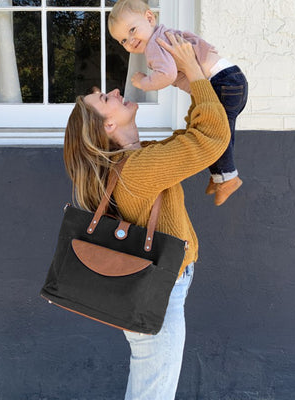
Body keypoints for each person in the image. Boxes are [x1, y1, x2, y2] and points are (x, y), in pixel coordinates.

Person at [63, 33, 230, 400]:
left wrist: (191, 86)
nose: (117, 93)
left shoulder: (135, 161)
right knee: (153, 394)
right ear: (108, 125)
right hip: (161, 290)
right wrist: (195, 75)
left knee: (152, 390)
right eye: (107, 99)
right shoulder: (137, 169)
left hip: (157, 288)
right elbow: (212, 138)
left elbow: (190, 138)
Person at [108, 0, 248, 206]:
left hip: (221, 82)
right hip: (232, 78)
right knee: (220, 128)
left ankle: (228, 177)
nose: (130, 40)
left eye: (132, 30)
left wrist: (143, 83)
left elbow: (167, 74)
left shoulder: (155, 45)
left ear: (149, 18)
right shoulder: (164, 34)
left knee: (217, 130)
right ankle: (219, 176)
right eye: (123, 41)